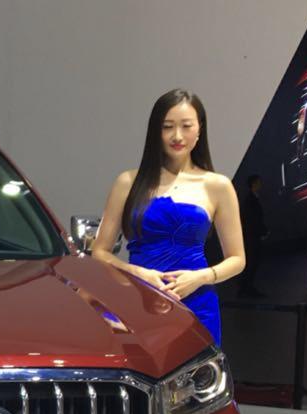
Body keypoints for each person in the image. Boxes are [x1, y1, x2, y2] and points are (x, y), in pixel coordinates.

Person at [90, 88, 247, 345]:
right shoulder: (128, 182)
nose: (177, 136)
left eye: (186, 126)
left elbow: (237, 259)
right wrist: (137, 273)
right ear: (156, 132)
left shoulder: (217, 186)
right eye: (167, 127)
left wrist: (200, 277)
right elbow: (100, 252)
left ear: (199, 129)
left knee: (196, 368)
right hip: (139, 298)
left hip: (197, 301)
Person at [237, 174, 267, 298]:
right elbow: (253, 220)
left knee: (250, 263)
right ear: (254, 184)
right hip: (252, 237)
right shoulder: (251, 201)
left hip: (251, 236)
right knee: (252, 263)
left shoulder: (251, 199)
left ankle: (245, 288)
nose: (261, 184)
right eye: (258, 182)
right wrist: (262, 231)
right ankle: (247, 288)